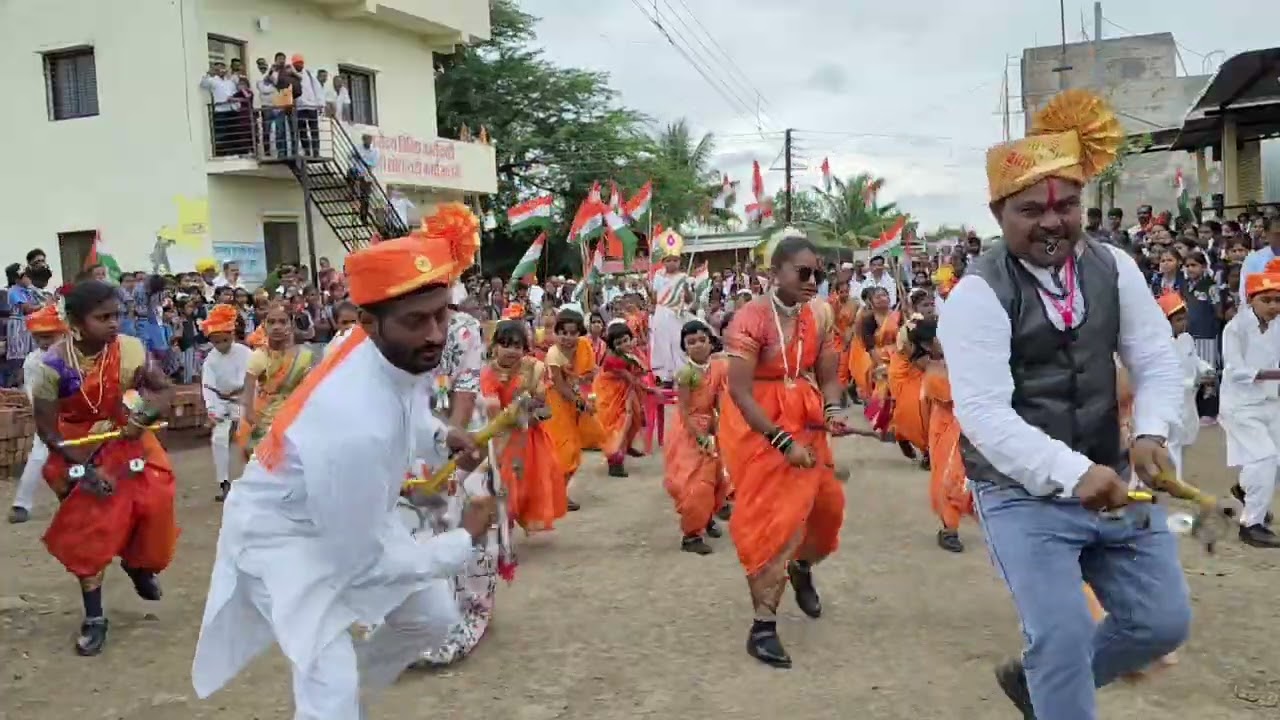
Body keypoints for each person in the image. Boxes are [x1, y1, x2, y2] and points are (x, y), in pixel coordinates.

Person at [937, 88, 1188, 719]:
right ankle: (1056, 682)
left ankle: (1040, 685)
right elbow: (986, 415)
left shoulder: (1115, 268)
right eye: (1031, 210)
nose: (1053, 222)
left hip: (1114, 477)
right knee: (1062, 636)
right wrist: (1074, 474)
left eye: (1068, 205)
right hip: (1022, 495)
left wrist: (1152, 431)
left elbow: (1156, 358)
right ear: (998, 212)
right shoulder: (976, 296)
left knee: (1161, 625)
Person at [191, 203, 496, 717]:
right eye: (417, 321)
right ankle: (333, 696)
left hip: (348, 514)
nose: (436, 335)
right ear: (369, 323)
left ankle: (346, 694)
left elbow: (407, 405)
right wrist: (463, 540)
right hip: (285, 540)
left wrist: (441, 439)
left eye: (442, 314)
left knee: (432, 617)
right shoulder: (353, 424)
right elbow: (365, 563)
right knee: (326, 681)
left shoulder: (378, 350)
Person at [31, 280, 179, 656]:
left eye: (117, 315)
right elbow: (47, 430)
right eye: (104, 318)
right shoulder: (51, 366)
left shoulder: (130, 350)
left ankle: (138, 565)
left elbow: (163, 391)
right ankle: (95, 618)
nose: (115, 324)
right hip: (77, 451)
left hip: (130, 438)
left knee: (156, 502)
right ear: (77, 323)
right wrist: (87, 470)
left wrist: (142, 417)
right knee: (92, 531)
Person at [720, 235, 847, 669]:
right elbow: (739, 391)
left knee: (826, 512)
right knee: (773, 523)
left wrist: (831, 408)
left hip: (807, 420)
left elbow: (828, 372)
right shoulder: (750, 318)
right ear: (776, 273)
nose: (814, 281)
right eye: (804, 272)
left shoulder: (819, 315)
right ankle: (763, 626)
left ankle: (802, 567)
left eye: (819, 273)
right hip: (760, 428)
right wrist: (782, 441)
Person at [480, 319, 566, 532]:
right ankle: (504, 536)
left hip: (531, 440)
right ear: (494, 347)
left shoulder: (534, 369)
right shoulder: (487, 373)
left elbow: (545, 408)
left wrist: (533, 412)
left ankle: (507, 533)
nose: (512, 351)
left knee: (530, 488)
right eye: (506, 344)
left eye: (517, 346)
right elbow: (492, 410)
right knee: (505, 489)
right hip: (501, 438)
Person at [1219, 258, 1280, 547]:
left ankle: (1245, 491)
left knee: (1275, 463)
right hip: (1240, 405)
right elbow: (1234, 370)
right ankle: (1251, 524)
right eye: (1266, 299)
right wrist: (1272, 374)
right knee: (1264, 458)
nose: (1273, 306)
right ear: (1251, 299)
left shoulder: (1278, 325)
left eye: (1278, 300)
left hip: (1270, 401)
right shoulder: (1236, 328)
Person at [664, 320, 729, 555]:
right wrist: (699, 436)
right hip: (688, 431)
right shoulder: (685, 374)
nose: (698, 346)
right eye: (691, 342)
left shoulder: (718, 368)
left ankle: (707, 517)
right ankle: (691, 536)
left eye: (702, 340)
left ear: (711, 343)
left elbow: (720, 400)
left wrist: (721, 425)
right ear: (684, 347)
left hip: (712, 426)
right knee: (695, 484)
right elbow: (683, 410)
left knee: (716, 479)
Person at [7, 306, 67, 524]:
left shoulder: (71, 354)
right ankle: (21, 504)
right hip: (49, 415)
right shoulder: (34, 361)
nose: (44, 342)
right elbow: (34, 395)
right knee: (38, 456)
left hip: (73, 414)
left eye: (49, 336)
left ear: (63, 333)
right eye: (39, 337)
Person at [234, 301, 317, 460]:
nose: (277, 327)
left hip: (296, 417)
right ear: (264, 326)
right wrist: (250, 417)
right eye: (271, 322)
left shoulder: (305, 356)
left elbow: (310, 390)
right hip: (264, 418)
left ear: (291, 325)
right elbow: (248, 389)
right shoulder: (259, 356)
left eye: (282, 322)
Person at [917, 318, 972, 552]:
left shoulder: (963, 358)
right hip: (946, 427)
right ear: (929, 346)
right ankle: (949, 528)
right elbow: (953, 397)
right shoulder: (933, 371)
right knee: (949, 474)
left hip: (969, 423)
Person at [542, 309, 600, 511]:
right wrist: (581, 403)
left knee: (574, 449)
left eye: (573, 333)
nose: (568, 338)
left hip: (573, 401)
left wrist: (585, 389)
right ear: (557, 332)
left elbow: (586, 375)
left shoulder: (583, 347)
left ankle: (559, 494)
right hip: (557, 403)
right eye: (563, 333)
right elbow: (560, 386)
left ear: (579, 333)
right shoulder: (554, 354)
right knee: (564, 450)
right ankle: (556, 496)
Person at [199, 305, 252, 502]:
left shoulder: (245, 352)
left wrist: (247, 401)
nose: (221, 344)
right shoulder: (210, 360)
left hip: (244, 400)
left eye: (225, 340)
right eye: (217, 341)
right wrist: (212, 410)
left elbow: (252, 378)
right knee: (218, 439)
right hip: (222, 401)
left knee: (246, 437)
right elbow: (208, 387)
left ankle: (252, 479)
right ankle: (224, 483)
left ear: (232, 335)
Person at [594, 322, 648, 478]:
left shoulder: (631, 354)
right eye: (619, 343)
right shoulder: (613, 360)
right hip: (611, 395)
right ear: (612, 346)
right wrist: (651, 390)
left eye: (626, 340)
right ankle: (615, 462)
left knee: (634, 419)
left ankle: (626, 446)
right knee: (619, 424)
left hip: (626, 392)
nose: (624, 345)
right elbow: (632, 378)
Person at [649, 251, 694, 384]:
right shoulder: (658, 276)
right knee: (662, 343)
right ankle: (665, 376)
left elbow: (689, 299)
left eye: (675, 260)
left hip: (677, 313)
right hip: (662, 312)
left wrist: (686, 288)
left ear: (679, 262)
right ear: (663, 262)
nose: (672, 263)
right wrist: (648, 289)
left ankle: (682, 373)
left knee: (678, 342)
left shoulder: (684, 277)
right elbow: (654, 298)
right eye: (668, 260)